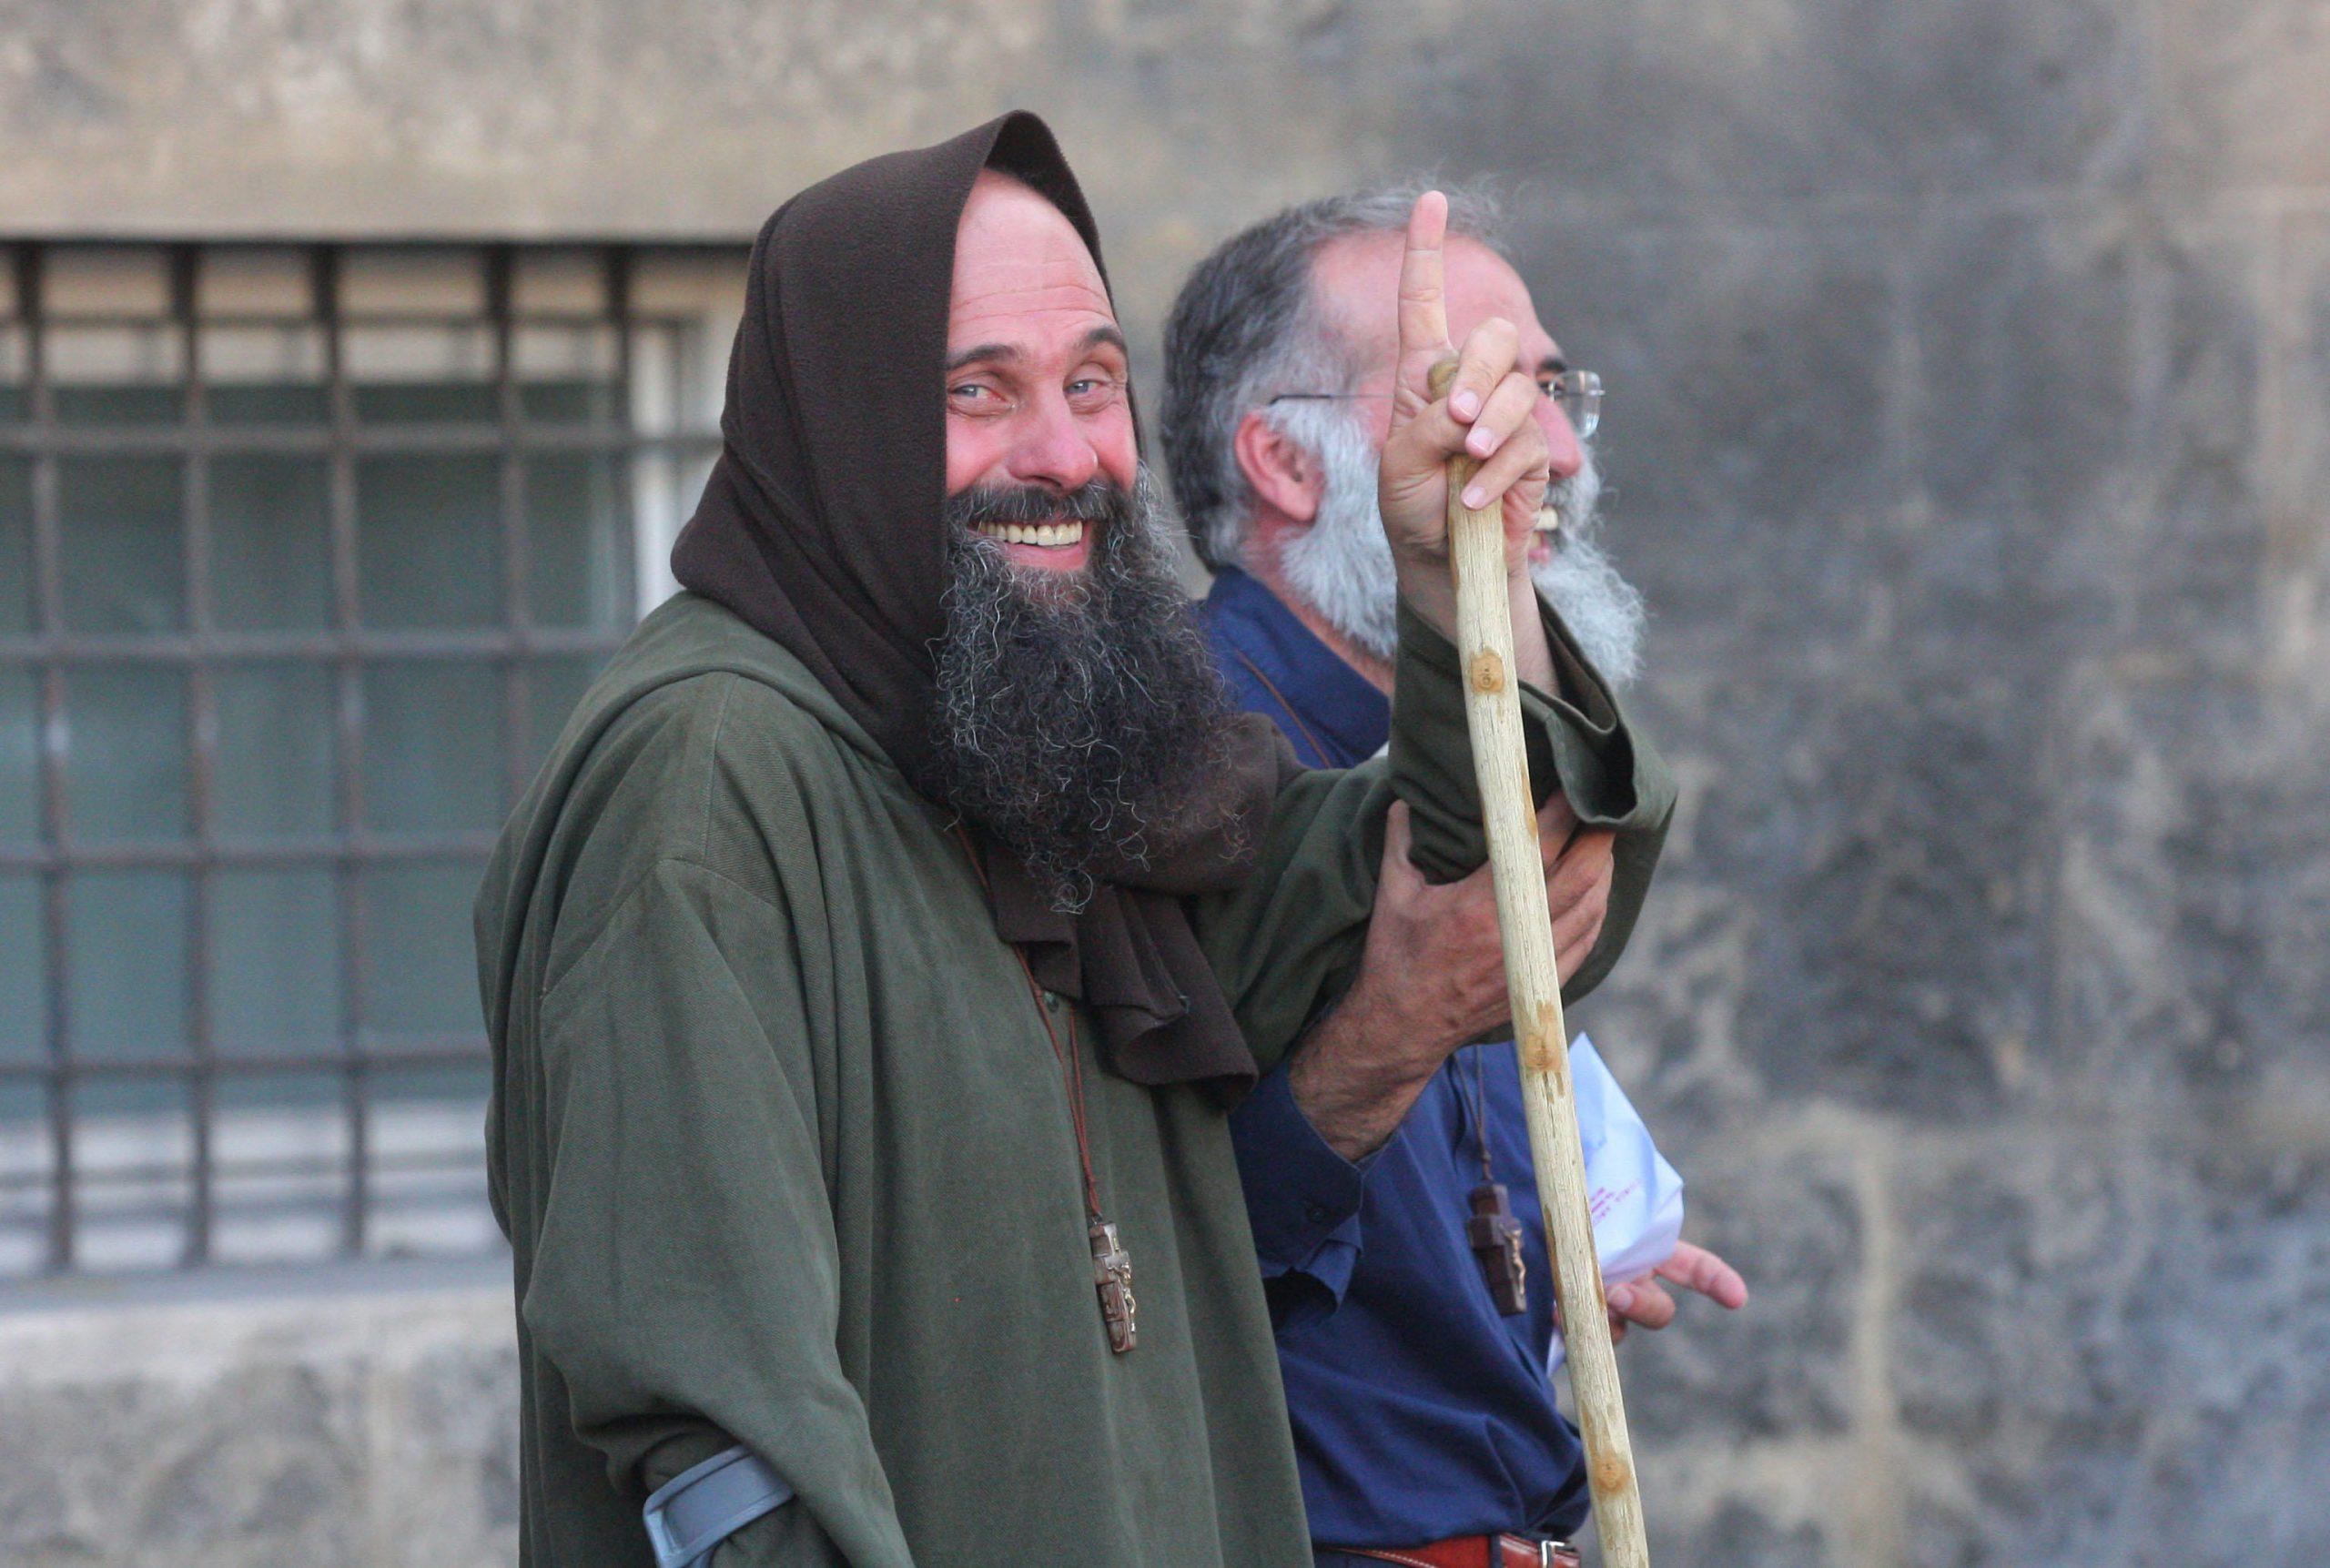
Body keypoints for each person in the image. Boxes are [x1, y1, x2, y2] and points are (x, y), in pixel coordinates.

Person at [475, 112, 1669, 1566]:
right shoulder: (712, 773)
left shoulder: (1055, 753)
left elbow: (1504, 897)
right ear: (842, 417)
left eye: (1093, 383)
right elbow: (718, 1443)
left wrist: (1448, 568)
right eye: (980, 390)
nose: (1066, 453)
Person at [1160, 188, 1749, 1567]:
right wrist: (1394, 1026)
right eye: (1472, 393)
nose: (1550, 452)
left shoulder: (1449, 741)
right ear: (1286, 466)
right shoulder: (1168, 762)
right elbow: (1126, 1269)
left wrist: (1550, 1257)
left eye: (1549, 389)